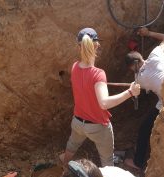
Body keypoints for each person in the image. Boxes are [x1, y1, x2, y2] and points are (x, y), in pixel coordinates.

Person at [60, 27, 141, 167]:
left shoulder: (74, 67)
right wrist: (130, 92)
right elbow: (104, 103)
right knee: (107, 161)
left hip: (78, 122)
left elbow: (84, 85)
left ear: (80, 46)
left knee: (72, 144)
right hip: (97, 127)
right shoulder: (98, 74)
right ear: (96, 45)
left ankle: (65, 161)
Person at [124, 28, 164, 170]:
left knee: (144, 129)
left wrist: (134, 84)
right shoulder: (155, 55)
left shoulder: (139, 79)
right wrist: (148, 33)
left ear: (133, 66)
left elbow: (136, 92)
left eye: (132, 69)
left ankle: (138, 163)